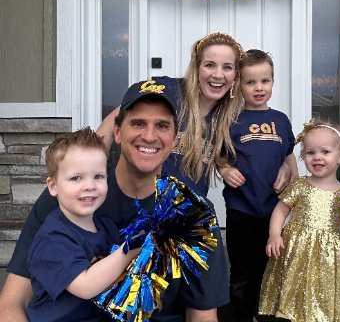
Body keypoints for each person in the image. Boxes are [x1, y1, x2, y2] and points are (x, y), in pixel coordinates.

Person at [0, 80, 229, 322]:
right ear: (117, 132)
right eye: (138, 123)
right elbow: (12, 301)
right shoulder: (71, 197)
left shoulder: (192, 212)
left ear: (174, 139)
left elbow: (202, 316)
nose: (150, 136)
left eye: (162, 126)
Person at [97, 32, 291, 197]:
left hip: (189, 215)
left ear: (235, 76)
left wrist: (285, 166)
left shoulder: (231, 116)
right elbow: (114, 121)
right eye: (209, 65)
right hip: (141, 204)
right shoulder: (168, 90)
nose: (218, 74)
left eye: (227, 67)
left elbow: (263, 147)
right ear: (197, 67)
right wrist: (92, 171)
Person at [26, 127, 141, 321]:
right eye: (76, 178)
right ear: (53, 186)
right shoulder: (53, 237)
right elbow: (85, 286)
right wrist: (129, 249)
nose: (89, 185)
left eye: (98, 176)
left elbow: (121, 275)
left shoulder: (106, 227)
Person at [218, 49, 298, 322]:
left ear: (273, 82)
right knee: (242, 268)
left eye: (264, 81)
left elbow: (289, 156)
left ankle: (266, 313)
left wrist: (288, 171)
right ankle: (242, 313)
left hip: (273, 210)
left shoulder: (281, 120)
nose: (258, 87)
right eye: (250, 82)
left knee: (271, 266)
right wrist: (225, 169)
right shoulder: (231, 120)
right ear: (238, 85)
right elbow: (217, 156)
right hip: (241, 208)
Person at [258, 120, 340, 321]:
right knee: (292, 290)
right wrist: (275, 234)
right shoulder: (301, 186)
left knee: (322, 297)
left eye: (325, 152)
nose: (317, 157)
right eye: (311, 152)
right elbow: (280, 211)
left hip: (329, 258)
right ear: (303, 156)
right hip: (296, 250)